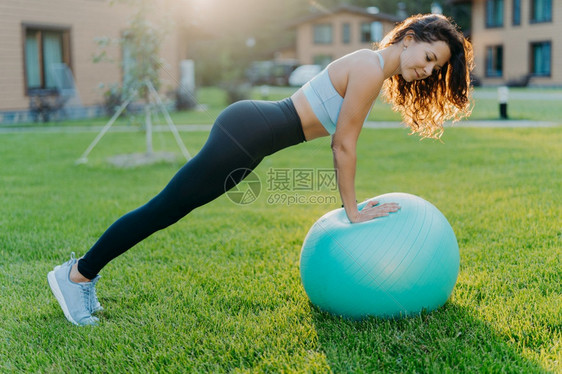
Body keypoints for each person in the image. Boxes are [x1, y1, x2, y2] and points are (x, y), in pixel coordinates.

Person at [48, 13, 473, 326]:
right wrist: (353, 211)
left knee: (169, 208)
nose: (428, 69)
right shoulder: (368, 68)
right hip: (247, 132)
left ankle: (81, 273)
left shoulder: (372, 68)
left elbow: (340, 140)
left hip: (252, 137)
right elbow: (343, 144)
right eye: (430, 56)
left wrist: (353, 208)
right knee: (164, 208)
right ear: (411, 38)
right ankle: (77, 274)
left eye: (436, 68)